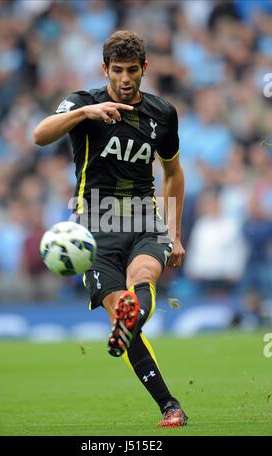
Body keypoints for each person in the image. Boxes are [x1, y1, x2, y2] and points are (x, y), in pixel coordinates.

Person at [33, 30, 187, 428]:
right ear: (104, 69)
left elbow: (173, 173)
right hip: (94, 229)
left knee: (142, 281)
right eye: (116, 70)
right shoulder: (83, 103)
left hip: (143, 219)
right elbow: (40, 134)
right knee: (122, 311)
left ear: (144, 69)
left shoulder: (162, 113)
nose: (124, 79)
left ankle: (168, 401)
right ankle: (170, 406)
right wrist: (85, 114)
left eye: (132, 70)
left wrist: (175, 231)